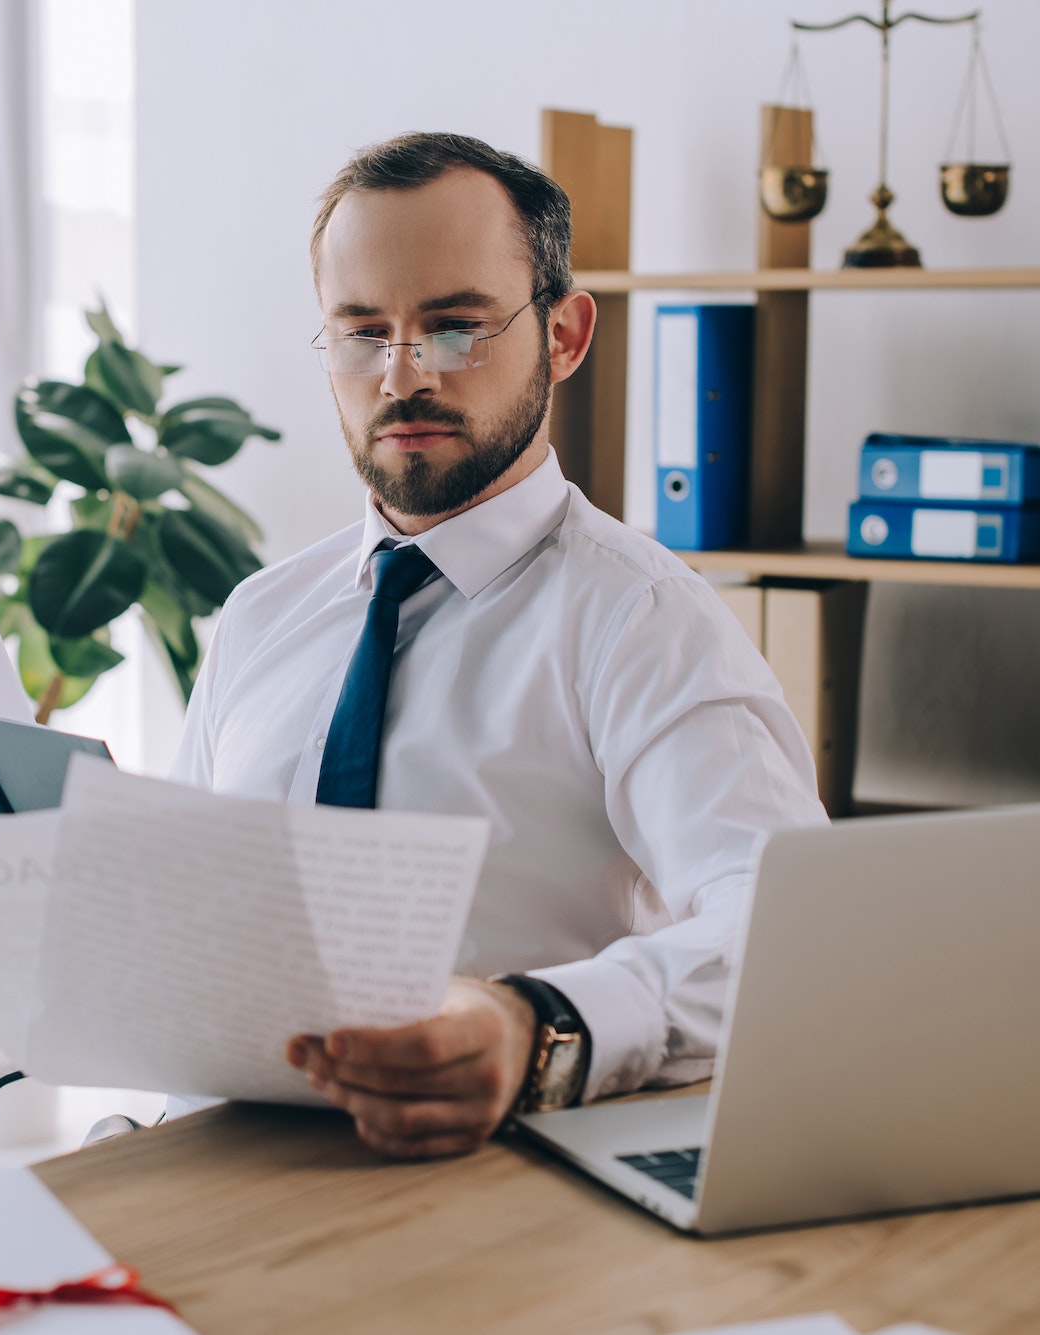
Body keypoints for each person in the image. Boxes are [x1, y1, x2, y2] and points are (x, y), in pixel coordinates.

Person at [166, 132, 827, 1160]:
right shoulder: (260, 616)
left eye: (453, 328)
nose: (398, 379)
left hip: (494, 1185)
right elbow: (199, 930)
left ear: (562, 336)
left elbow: (792, 930)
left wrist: (534, 1024)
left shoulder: (638, 619)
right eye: (360, 333)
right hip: (215, 1164)